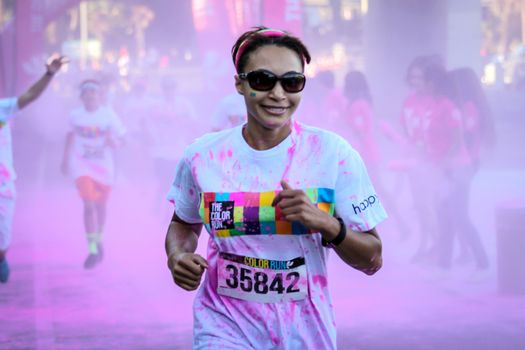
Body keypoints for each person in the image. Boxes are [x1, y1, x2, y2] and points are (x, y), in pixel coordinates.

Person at [165, 27, 387, 349]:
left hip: (305, 333)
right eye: (262, 80)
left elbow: (373, 258)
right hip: (223, 327)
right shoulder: (202, 156)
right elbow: (183, 223)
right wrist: (178, 255)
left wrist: (327, 224)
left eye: (292, 82)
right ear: (239, 84)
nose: (278, 94)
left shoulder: (332, 154)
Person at [0, 55, 67, 283]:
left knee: (0, 251)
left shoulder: (2, 110)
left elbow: (29, 96)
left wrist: (49, 74)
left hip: (3, 191)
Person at [61, 79, 126, 269]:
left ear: (98, 96)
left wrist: (116, 143)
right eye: (86, 93)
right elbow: (69, 135)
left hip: (104, 166)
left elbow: (122, 138)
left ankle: (99, 240)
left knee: (100, 206)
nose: (90, 96)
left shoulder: (108, 115)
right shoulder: (75, 116)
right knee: (88, 205)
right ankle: (92, 249)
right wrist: (64, 160)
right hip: (82, 165)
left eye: (93, 92)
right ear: (81, 97)